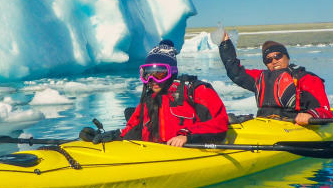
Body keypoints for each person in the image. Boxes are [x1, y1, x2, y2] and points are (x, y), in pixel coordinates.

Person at [81, 39, 229, 147]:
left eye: (158, 74)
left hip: (189, 152)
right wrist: (108, 136)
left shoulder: (196, 91)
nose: (151, 79)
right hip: (155, 156)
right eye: (147, 74)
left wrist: (187, 136)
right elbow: (132, 129)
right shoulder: (148, 100)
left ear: (171, 72)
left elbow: (220, 123)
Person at [218, 32, 332, 124]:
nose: (274, 61)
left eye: (278, 56)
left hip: (295, 126)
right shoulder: (261, 78)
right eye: (268, 59)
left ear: (287, 57)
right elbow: (235, 73)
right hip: (266, 125)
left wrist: (311, 115)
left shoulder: (307, 79)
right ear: (266, 64)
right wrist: (225, 45)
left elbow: (325, 111)